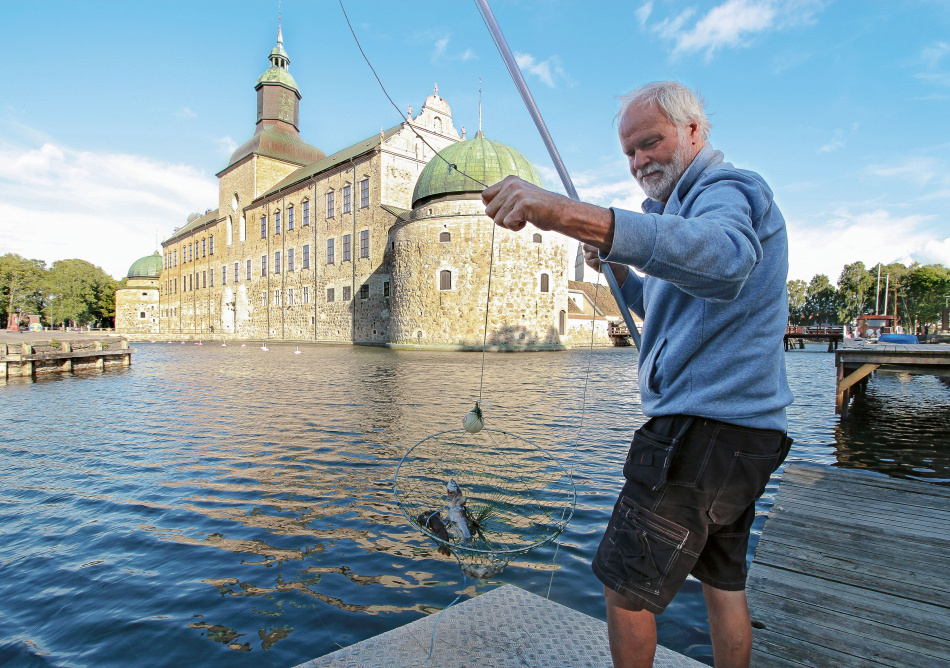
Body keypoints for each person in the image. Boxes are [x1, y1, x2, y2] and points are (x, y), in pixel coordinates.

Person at [482, 81, 793, 668]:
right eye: (629, 152)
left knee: (625, 594)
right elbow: (676, 305)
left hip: (703, 432)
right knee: (722, 587)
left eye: (650, 142)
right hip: (747, 438)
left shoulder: (728, 189)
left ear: (695, 131)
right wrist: (621, 273)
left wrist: (569, 215)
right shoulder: (676, 216)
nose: (639, 161)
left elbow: (725, 260)